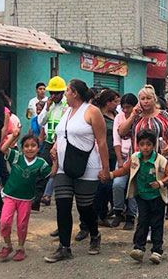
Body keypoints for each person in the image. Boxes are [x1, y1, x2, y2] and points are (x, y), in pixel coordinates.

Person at [44, 79, 109, 263]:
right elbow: (62, 133)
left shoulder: (92, 112)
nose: (65, 94)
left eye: (67, 91)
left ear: (76, 93)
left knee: (84, 206)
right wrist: (55, 147)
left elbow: (102, 141)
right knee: (63, 205)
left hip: (87, 166)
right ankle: (64, 247)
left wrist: (106, 169)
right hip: (64, 166)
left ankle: (95, 234)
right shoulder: (66, 111)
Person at [100, 129, 168, 264]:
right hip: (141, 196)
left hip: (157, 197)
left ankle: (157, 250)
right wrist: (111, 174)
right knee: (142, 222)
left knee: (157, 224)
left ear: (153, 146)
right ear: (138, 145)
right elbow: (124, 169)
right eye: (142, 144)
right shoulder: (135, 158)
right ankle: (139, 248)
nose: (145, 147)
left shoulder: (160, 160)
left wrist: (160, 183)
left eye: (148, 144)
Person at [0, 129, 52, 261]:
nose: (30, 149)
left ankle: (21, 248)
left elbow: (51, 175)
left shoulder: (41, 163)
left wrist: (55, 161)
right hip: (10, 196)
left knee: (22, 224)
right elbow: (3, 149)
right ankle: (7, 245)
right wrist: (14, 137)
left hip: (26, 199)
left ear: (38, 148)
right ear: (22, 148)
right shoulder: (16, 157)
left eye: (33, 145)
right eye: (26, 146)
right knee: (4, 221)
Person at [118, 85, 168, 198]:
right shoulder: (136, 117)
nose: (146, 101)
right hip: (138, 159)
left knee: (159, 190)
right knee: (138, 189)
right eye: (143, 99)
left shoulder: (163, 115)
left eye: (148, 98)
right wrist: (132, 116)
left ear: (154, 99)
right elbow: (122, 132)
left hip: (158, 159)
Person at [38, 76, 68, 208]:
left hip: (62, 143)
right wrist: (46, 108)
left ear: (62, 92)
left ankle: (48, 195)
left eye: (56, 93)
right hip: (49, 142)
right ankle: (40, 196)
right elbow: (41, 122)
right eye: (51, 93)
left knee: (57, 169)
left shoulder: (67, 105)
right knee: (43, 167)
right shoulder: (49, 105)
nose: (53, 96)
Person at [92, 89, 120, 226]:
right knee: (102, 186)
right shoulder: (98, 116)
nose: (117, 104)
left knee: (110, 185)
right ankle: (99, 215)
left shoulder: (117, 115)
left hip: (116, 154)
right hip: (102, 154)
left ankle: (108, 212)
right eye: (115, 101)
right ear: (107, 102)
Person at [111, 93, 139, 230]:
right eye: (124, 108)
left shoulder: (139, 118)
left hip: (137, 158)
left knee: (132, 187)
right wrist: (120, 160)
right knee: (117, 185)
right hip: (123, 156)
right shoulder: (118, 117)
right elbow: (117, 140)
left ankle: (131, 216)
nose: (126, 110)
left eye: (129, 107)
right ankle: (118, 211)